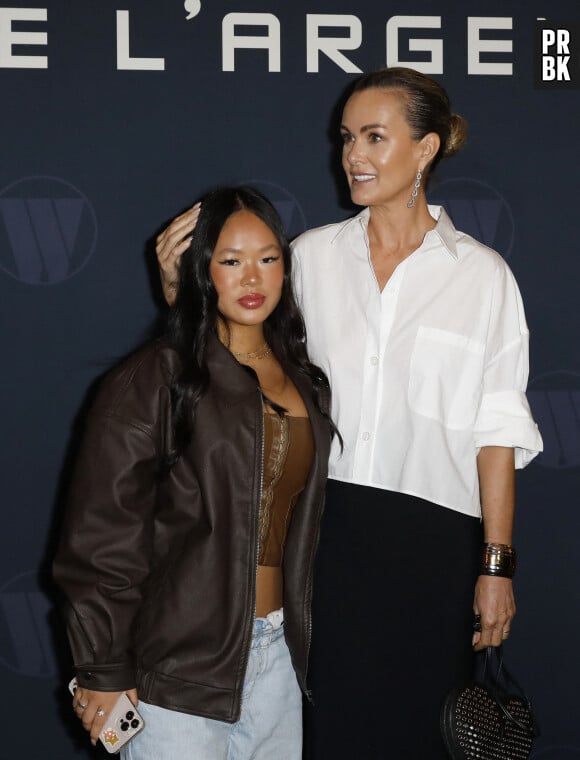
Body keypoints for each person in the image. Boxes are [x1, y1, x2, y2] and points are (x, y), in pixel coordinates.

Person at [155, 68, 542, 758]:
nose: (353, 156)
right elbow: (231, 369)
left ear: (425, 149)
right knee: (327, 734)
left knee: (414, 736)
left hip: (433, 549)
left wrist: (496, 566)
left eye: (373, 137)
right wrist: (176, 295)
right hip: (320, 539)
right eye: (345, 138)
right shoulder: (309, 259)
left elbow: (498, 435)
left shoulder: (483, 277)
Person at [53, 186, 336, 760]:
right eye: (229, 261)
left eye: (267, 258)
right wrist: (103, 667)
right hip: (174, 670)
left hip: (280, 661)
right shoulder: (158, 377)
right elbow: (102, 535)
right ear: (201, 269)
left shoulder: (307, 380)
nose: (251, 277)